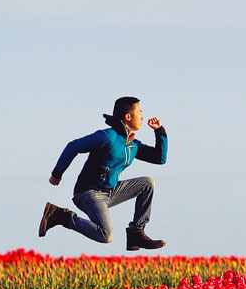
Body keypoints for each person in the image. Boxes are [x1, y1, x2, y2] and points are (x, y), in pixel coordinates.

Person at [38, 96, 168, 250]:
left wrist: (159, 131)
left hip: (110, 192)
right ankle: (61, 216)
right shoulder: (108, 136)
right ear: (128, 117)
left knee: (147, 183)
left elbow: (159, 158)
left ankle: (136, 232)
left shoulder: (133, 144)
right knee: (106, 235)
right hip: (88, 193)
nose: (142, 116)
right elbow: (73, 146)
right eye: (139, 112)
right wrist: (57, 173)